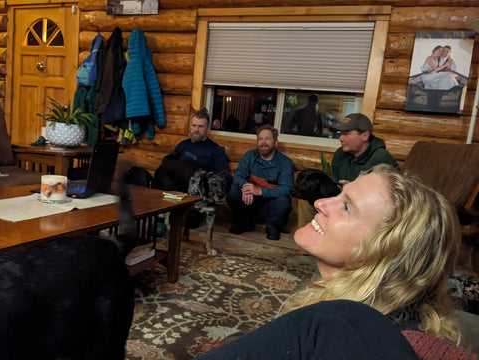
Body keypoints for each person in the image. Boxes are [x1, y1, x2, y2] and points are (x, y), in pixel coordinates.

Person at [196, 164, 462, 359]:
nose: (321, 202)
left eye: (346, 207)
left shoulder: (335, 325)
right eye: (339, 194)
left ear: (386, 249)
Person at [296, 113, 398, 228]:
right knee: (306, 199)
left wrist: (354, 189)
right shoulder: (341, 153)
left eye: (347, 134)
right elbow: (335, 181)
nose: (341, 138)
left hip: (366, 208)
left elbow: (389, 198)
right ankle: (309, 240)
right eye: (340, 133)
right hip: (341, 199)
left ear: (365, 136)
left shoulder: (381, 158)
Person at [227, 125, 294, 240]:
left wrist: (261, 191)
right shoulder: (250, 156)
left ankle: (272, 227)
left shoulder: (285, 162)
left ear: (276, 142)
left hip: (269, 205)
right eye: (260, 139)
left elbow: (287, 188)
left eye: (267, 139)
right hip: (250, 202)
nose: (263, 142)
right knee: (233, 191)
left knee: (284, 200)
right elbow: (238, 176)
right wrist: (246, 186)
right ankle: (244, 223)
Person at [153, 108, 229, 192]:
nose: (196, 130)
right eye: (194, 125)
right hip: (175, 184)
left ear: (207, 129)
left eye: (200, 126)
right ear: (190, 127)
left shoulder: (215, 150)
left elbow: (223, 177)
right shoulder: (183, 145)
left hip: (198, 185)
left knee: (173, 165)